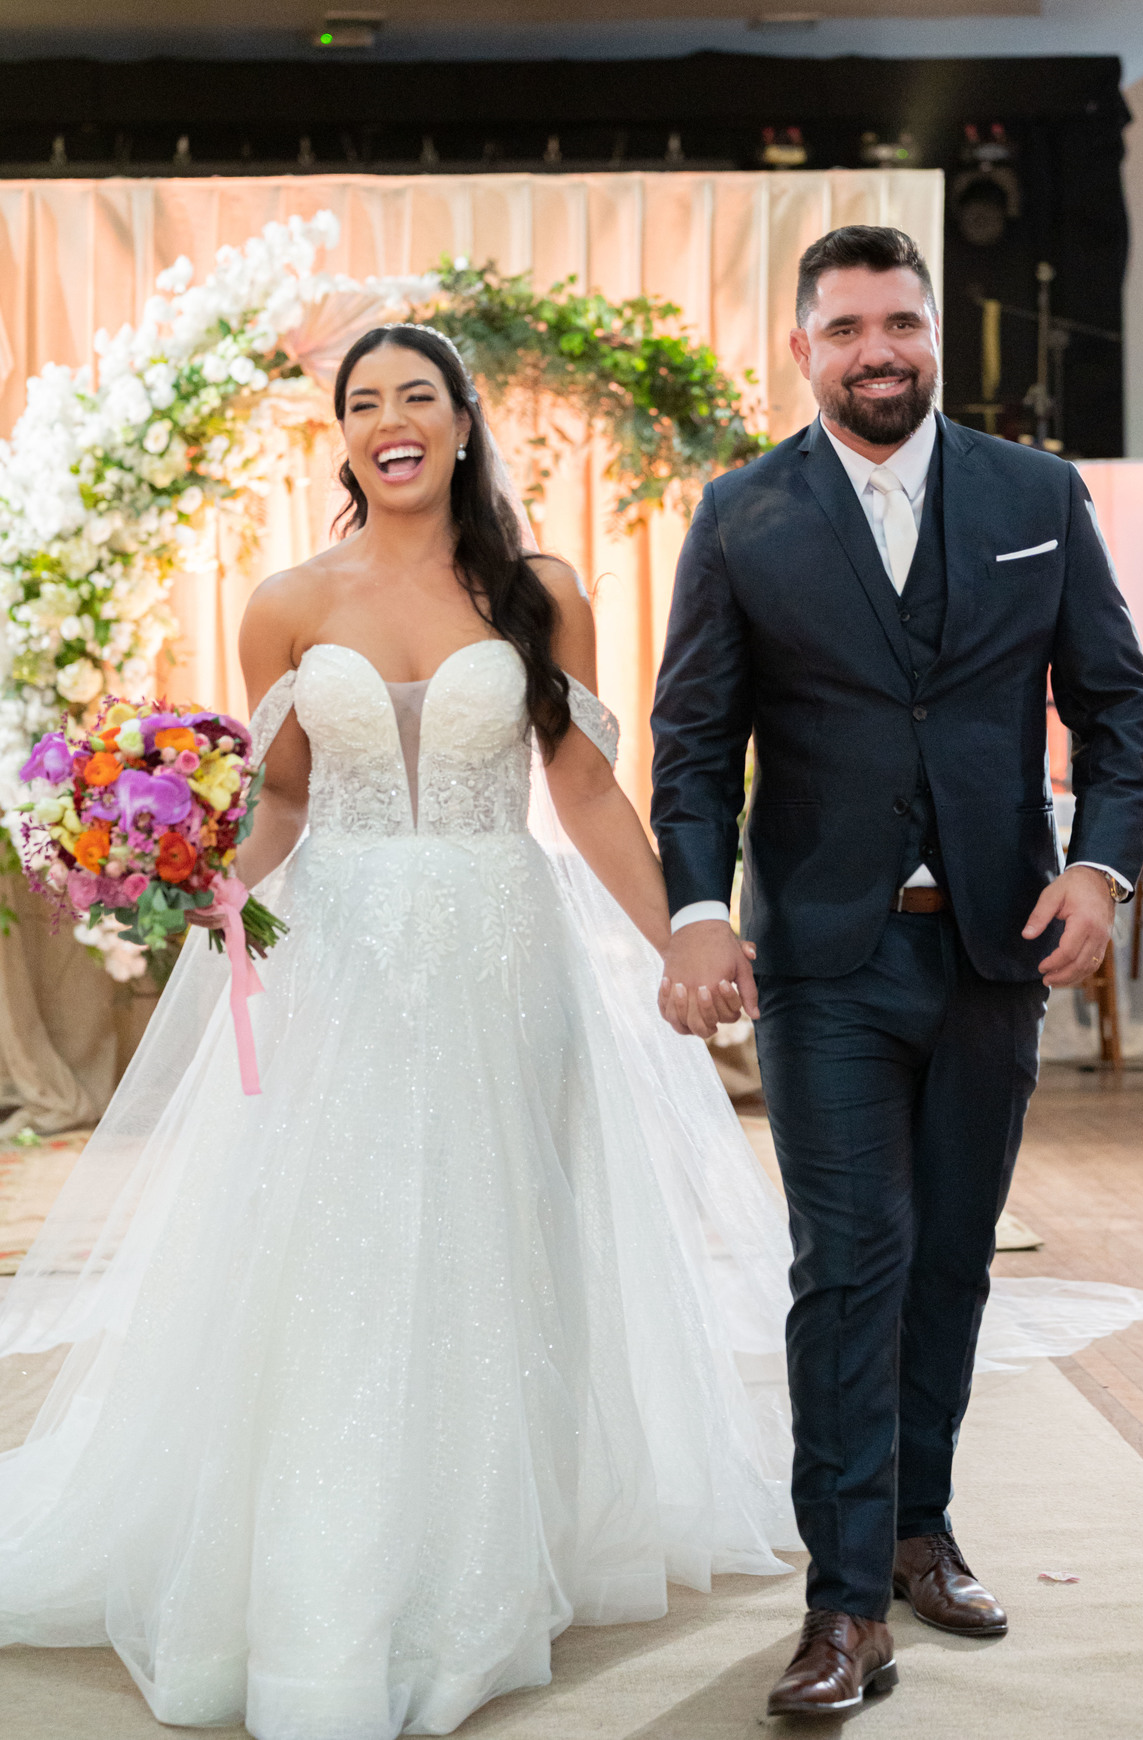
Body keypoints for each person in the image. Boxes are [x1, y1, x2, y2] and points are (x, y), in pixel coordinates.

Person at [0, 324, 800, 1738]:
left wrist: (684, 926)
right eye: (363, 402)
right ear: (346, 439)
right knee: (345, 1250)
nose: (390, 420)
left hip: (502, 954)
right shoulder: (287, 603)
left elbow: (587, 791)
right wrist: (198, 880)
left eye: (416, 395)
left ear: (463, 420)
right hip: (345, 961)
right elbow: (284, 798)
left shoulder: (541, 590)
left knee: (501, 1238)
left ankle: (486, 1569)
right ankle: (345, 1575)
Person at [650, 226, 1143, 1717]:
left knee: (950, 1259)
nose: (879, 350)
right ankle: (843, 1606)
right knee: (851, 1259)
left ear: (933, 334)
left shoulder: (1035, 495)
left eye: (902, 323)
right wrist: (697, 908)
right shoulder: (742, 514)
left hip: (998, 947)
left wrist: (1098, 866)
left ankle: (920, 1531)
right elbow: (694, 743)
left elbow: (1117, 704)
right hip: (825, 959)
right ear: (801, 349)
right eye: (848, 327)